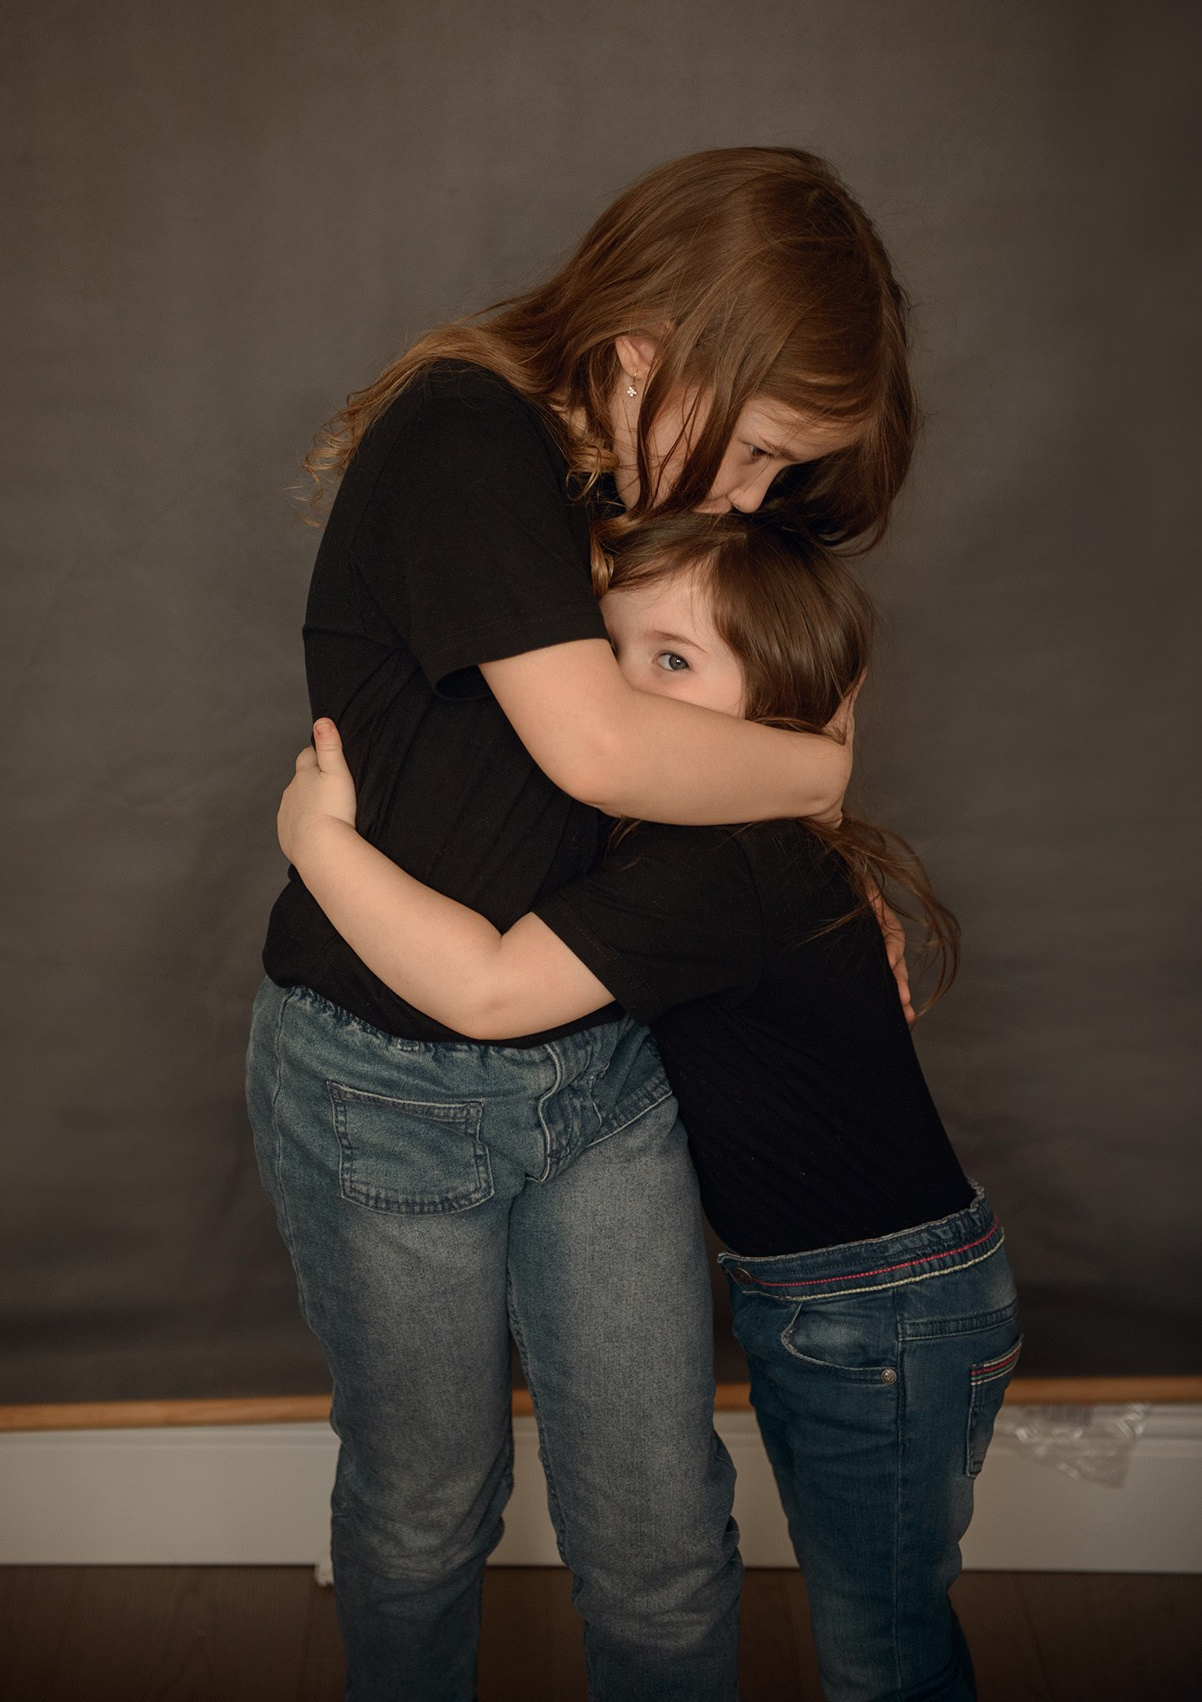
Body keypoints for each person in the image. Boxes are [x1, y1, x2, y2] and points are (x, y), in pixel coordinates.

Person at [247, 145, 916, 1702]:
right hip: (387, 1087)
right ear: (638, 354)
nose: (750, 503)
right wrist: (822, 778)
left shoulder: (637, 491)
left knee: (665, 1530)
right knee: (424, 1513)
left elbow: (714, 707)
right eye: (748, 454)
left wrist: (832, 868)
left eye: (773, 478)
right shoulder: (463, 439)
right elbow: (606, 751)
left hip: (602, 1069)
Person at [278, 510, 1021, 1702]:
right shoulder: (737, 839)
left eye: (670, 661)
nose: (617, 696)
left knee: (883, 1651)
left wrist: (318, 845)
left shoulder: (713, 866)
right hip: (862, 1294)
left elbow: (486, 988)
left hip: (879, 1313)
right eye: (607, 649)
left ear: (780, 711)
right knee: (879, 1625)